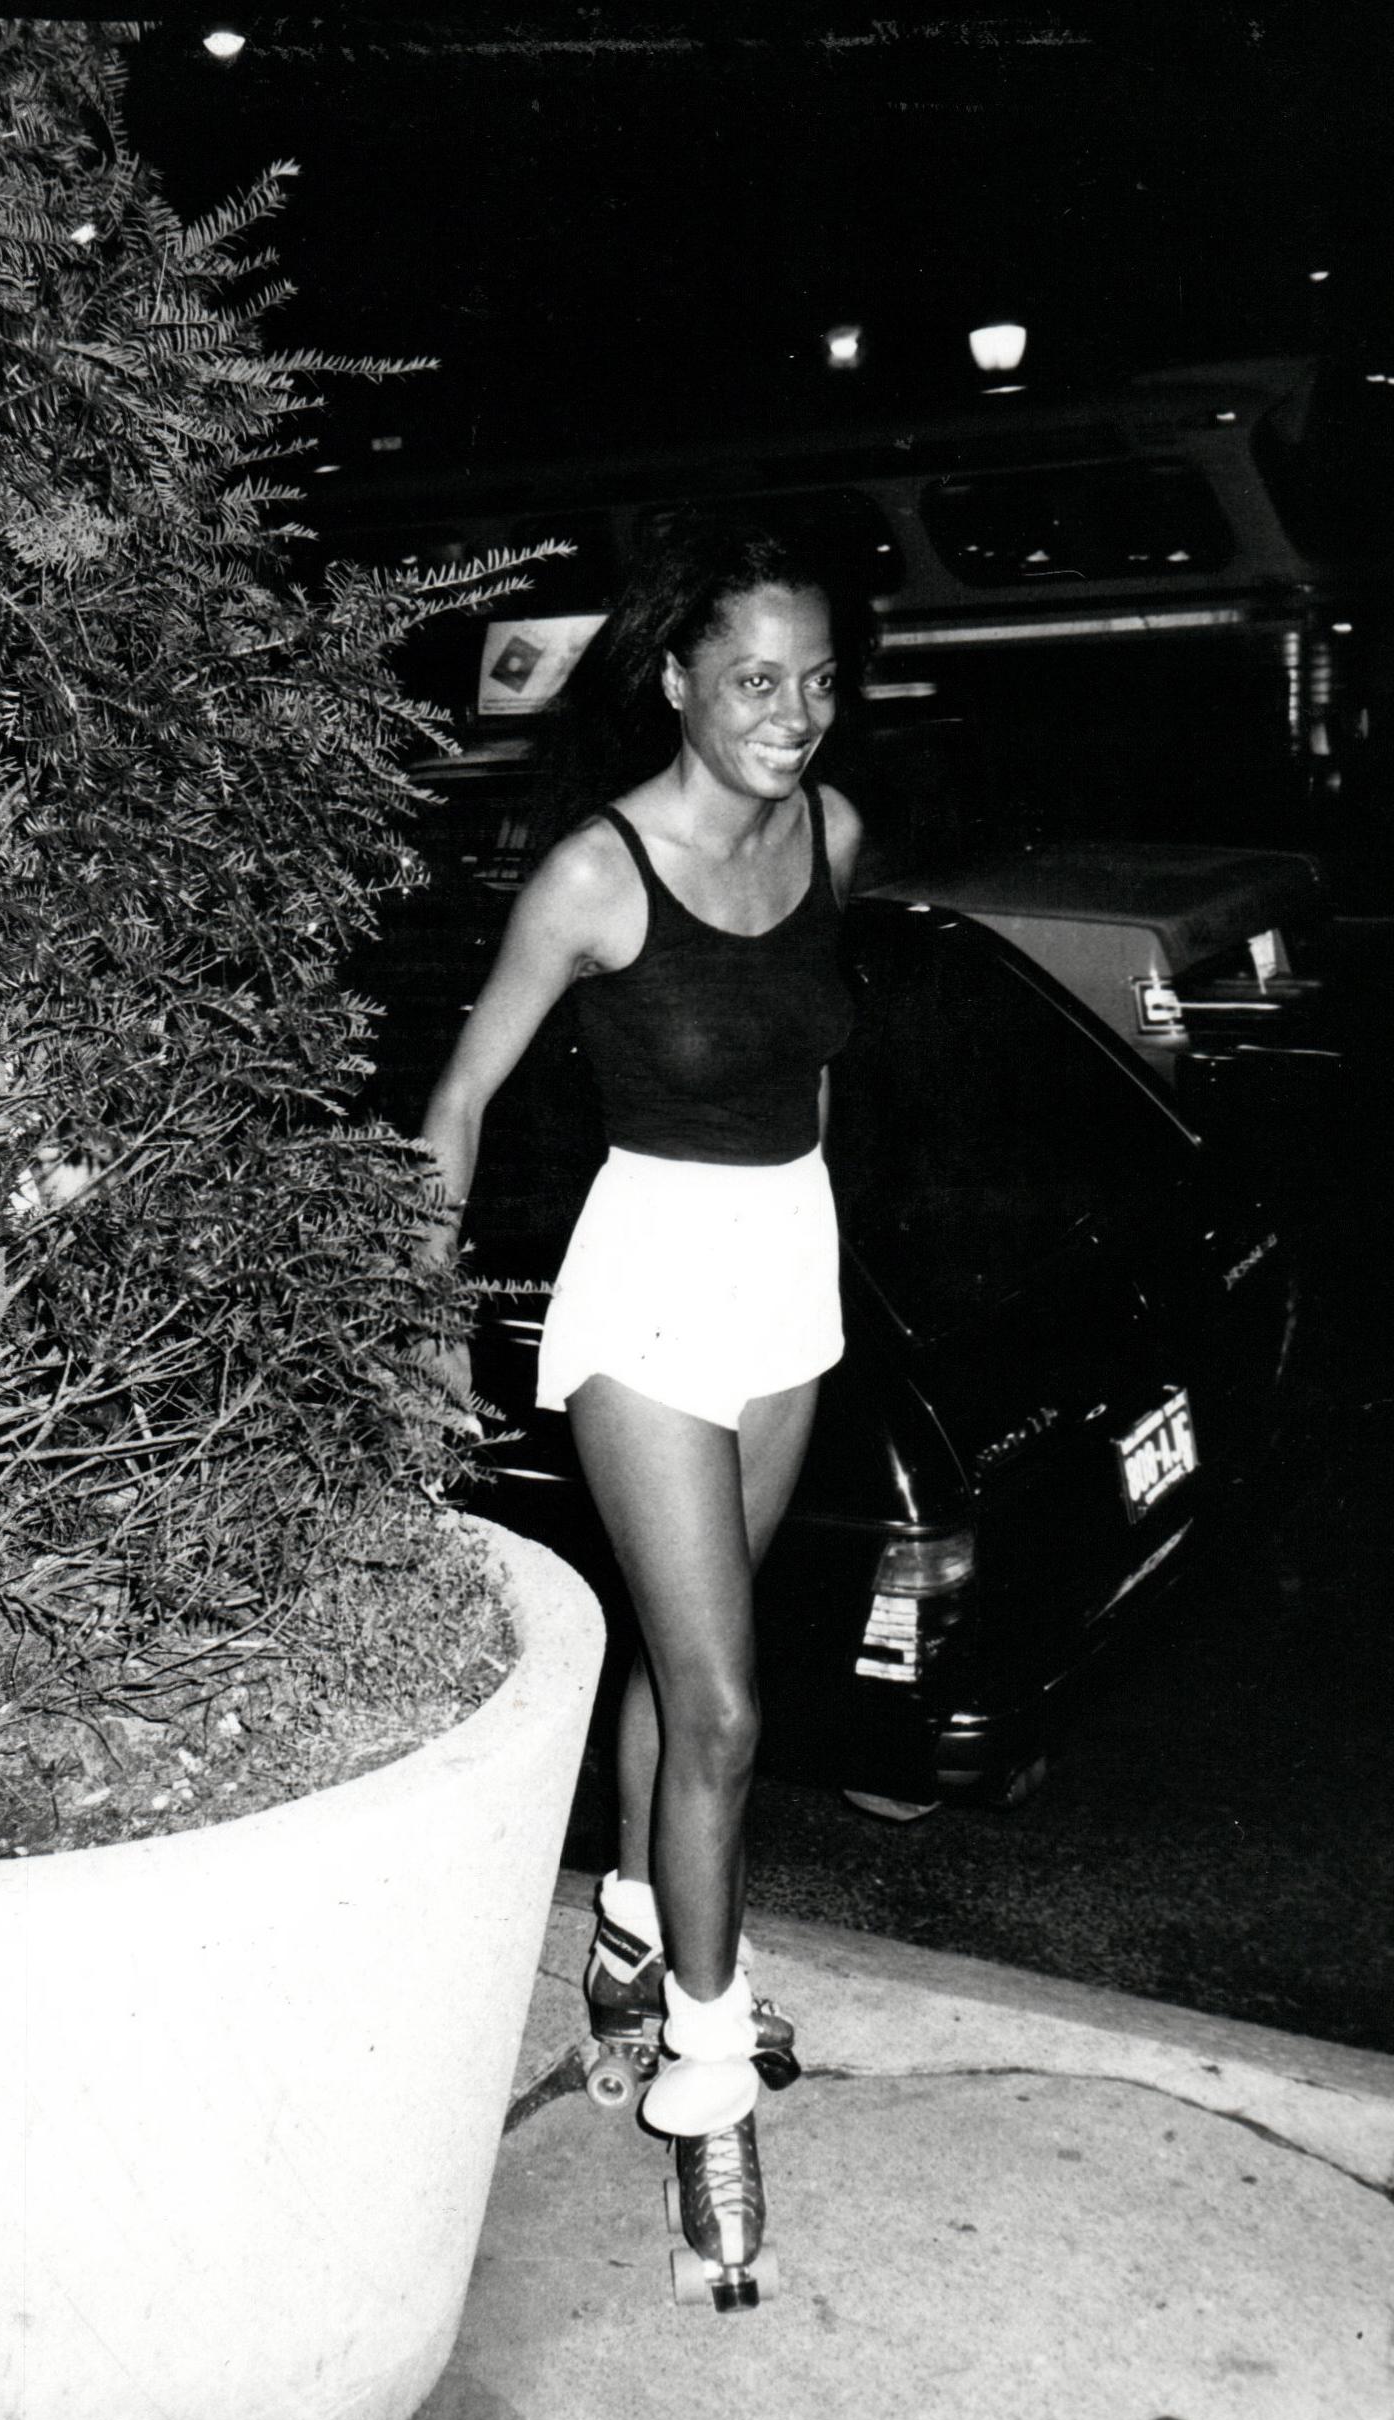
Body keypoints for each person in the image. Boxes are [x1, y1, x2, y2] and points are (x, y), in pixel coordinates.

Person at [418, 516, 861, 2303]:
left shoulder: (834, 835)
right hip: (652, 1299)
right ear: (678, 680)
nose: (796, 714)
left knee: (690, 1684)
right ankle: (704, 2076)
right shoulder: (598, 879)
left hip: (788, 1279)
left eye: (821, 680)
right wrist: (408, 1321)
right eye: (757, 680)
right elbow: (456, 1099)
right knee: (732, 1716)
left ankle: (624, 1928)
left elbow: (809, 1071)